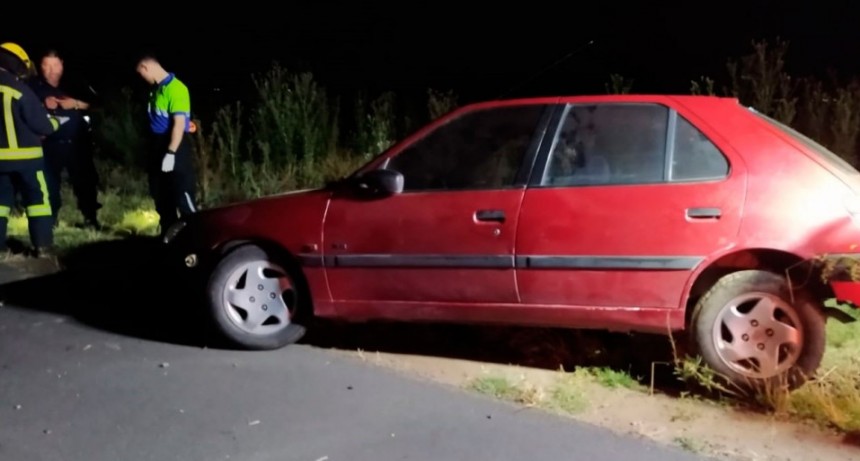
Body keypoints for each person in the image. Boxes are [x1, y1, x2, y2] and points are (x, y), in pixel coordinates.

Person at [0, 42, 65, 257]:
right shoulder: (20, 90)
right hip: (28, 159)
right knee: (38, 202)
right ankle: (43, 246)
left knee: (0, 204)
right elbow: (42, 126)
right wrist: (55, 123)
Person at [29, 49, 102, 229]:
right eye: (45, 65)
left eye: (54, 65)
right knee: (49, 185)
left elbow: (97, 105)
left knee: (85, 183)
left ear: (62, 64)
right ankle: (50, 221)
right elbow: (24, 108)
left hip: (78, 143)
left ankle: (90, 219)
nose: (50, 70)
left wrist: (75, 103)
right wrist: (42, 103)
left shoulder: (75, 82)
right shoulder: (33, 86)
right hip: (49, 144)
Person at [135, 53, 197, 236]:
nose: (142, 78)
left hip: (174, 147)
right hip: (156, 146)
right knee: (161, 195)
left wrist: (171, 153)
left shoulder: (176, 89)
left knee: (182, 193)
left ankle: (196, 234)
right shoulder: (156, 90)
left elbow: (178, 125)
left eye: (141, 73)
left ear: (146, 67)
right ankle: (168, 235)